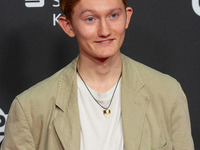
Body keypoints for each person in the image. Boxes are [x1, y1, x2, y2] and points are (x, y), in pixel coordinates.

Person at [1, 0, 194, 149]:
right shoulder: (30, 107)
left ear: (127, 17)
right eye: (90, 19)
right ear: (67, 25)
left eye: (113, 16)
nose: (104, 31)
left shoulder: (168, 93)